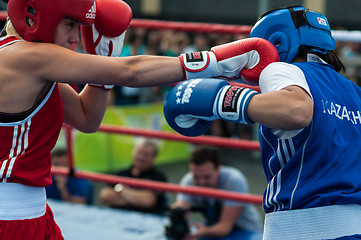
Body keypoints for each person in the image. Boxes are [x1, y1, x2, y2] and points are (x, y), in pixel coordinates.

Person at [0, 0, 278, 238]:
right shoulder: (27, 57)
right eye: (69, 24)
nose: (75, 37)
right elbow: (130, 72)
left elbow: (87, 119)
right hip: (11, 216)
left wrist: (102, 76)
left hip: (31, 211)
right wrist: (217, 60)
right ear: (36, 19)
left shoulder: (30, 65)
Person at [163, 5, 361, 239]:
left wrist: (221, 98)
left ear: (276, 42)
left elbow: (296, 110)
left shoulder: (282, 70)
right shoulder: (355, 92)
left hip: (298, 226)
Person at [171, 146, 263, 240]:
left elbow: (225, 227)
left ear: (218, 168)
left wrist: (202, 232)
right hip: (214, 229)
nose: (201, 182)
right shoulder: (189, 180)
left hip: (246, 232)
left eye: (207, 177)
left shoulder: (234, 180)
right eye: (196, 177)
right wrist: (178, 217)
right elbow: (182, 210)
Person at [99, 138, 167, 214]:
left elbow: (147, 201)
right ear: (133, 152)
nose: (141, 157)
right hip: (117, 218)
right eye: (139, 152)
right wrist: (137, 201)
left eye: (146, 154)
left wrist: (120, 189)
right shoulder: (122, 173)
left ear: (154, 158)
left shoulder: (158, 177)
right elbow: (105, 195)